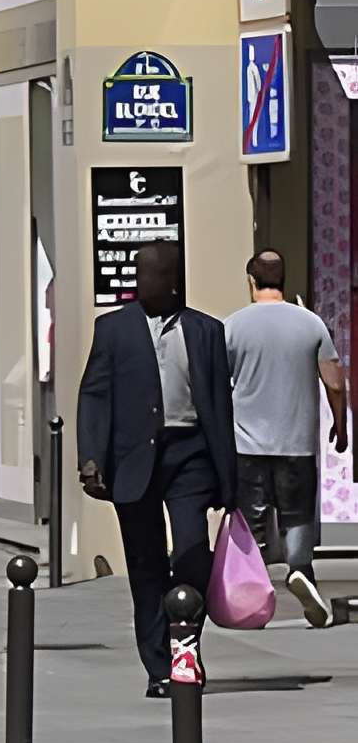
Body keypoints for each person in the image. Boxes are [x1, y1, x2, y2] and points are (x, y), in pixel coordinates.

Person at [77, 238, 237, 698]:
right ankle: (160, 668)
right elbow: (94, 394)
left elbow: (220, 406)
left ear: (172, 280)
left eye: (150, 274)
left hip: (190, 457)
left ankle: (186, 647)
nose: (141, 282)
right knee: (145, 565)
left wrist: (230, 478)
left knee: (192, 554)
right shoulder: (113, 329)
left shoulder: (206, 331)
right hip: (134, 460)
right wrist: (91, 457)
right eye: (138, 273)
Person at [225, 250, 348, 627]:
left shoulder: (233, 326)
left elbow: (216, 382)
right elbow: (334, 382)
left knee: (252, 526)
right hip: (296, 443)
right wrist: (340, 427)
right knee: (297, 519)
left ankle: (250, 595)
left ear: (251, 280)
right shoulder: (310, 323)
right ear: (283, 279)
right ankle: (300, 571)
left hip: (246, 444)